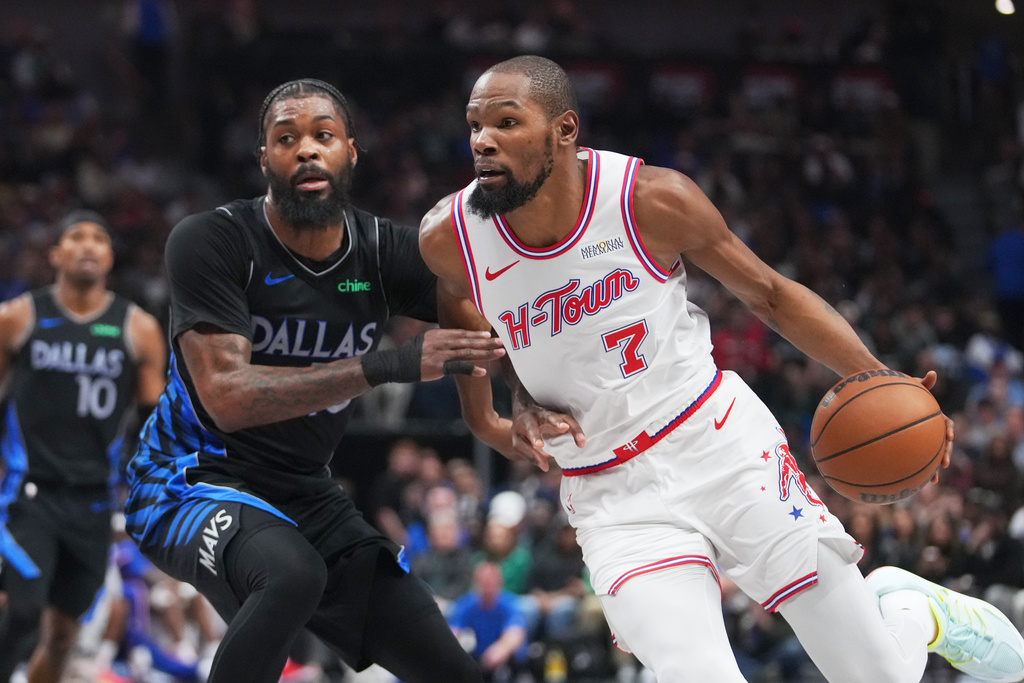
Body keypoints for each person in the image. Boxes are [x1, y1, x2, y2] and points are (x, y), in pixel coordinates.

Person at [418, 55, 1024, 682]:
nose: (483, 140)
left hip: (719, 445)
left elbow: (771, 294)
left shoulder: (650, 199)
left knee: (879, 677)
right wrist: (501, 411)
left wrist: (885, 381)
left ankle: (907, 609)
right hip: (610, 492)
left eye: (506, 122)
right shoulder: (449, 237)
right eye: (475, 125)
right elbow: (470, 320)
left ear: (564, 129)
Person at [121, 78, 505, 683]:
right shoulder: (213, 240)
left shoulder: (380, 252)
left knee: (449, 667)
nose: (306, 149)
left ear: (350, 151)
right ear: (263, 159)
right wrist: (390, 364)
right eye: (286, 139)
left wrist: (514, 409)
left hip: (302, 490)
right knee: (292, 574)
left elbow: (490, 317)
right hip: (188, 478)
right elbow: (227, 397)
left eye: (323, 135)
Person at [0, 210, 167, 683]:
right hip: (29, 494)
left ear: (111, 257)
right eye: (76, 236)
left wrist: (150, 490)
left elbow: (154, 422)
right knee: (22, 612)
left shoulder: (138, 328)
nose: (88, 245)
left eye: (99, 238)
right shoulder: (18, 317)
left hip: (95, 502)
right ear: (55, 254)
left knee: (62, 638)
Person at [448, 562, 530, 683]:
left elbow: (515, 633)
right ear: (475, 583)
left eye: (491, 581)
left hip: (507, 663)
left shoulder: (510, 604)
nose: (487, 585)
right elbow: (453, 632)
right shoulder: (465, 604)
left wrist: (502, 649)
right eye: (483, 581)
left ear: (500, 583)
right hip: (477, 661)